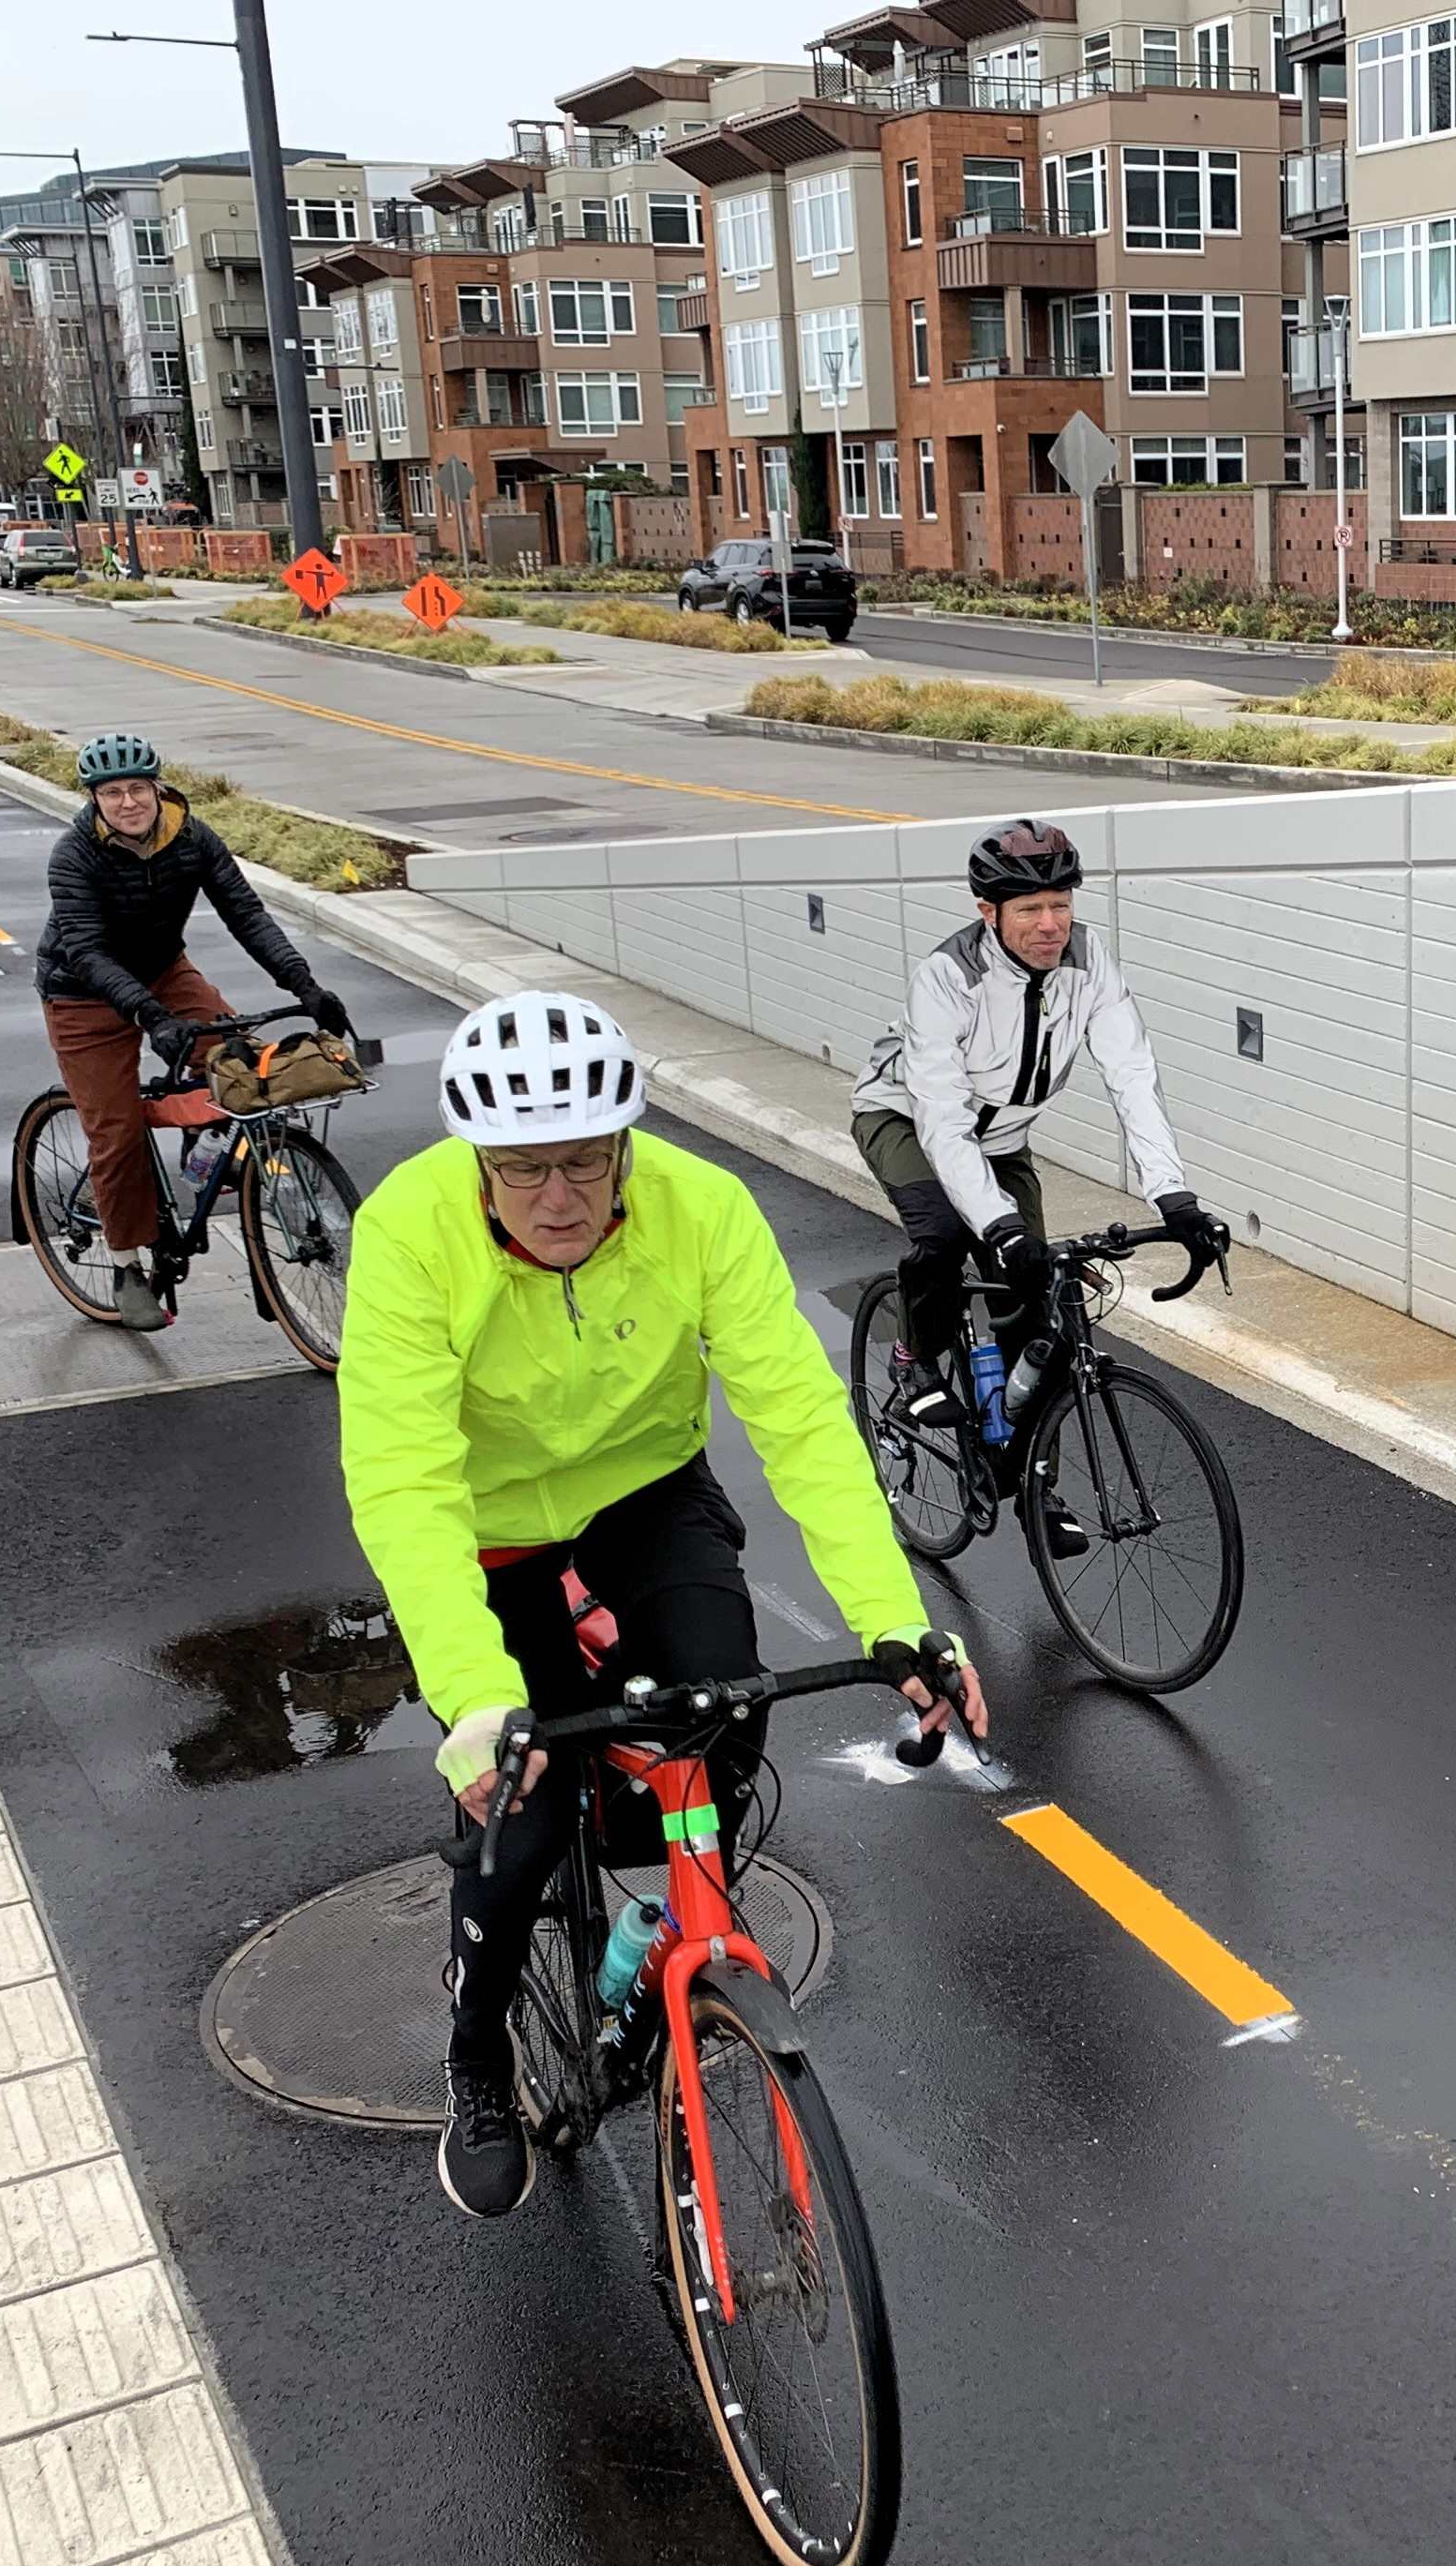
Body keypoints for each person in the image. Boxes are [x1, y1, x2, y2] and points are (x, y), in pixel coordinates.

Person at [338, 988, 986, 2220]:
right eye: (523, 1170)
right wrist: (476, 1701)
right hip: (487, 1534)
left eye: (586, 1159)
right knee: (519, 1808)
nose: (561, 1196)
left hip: (646, 1491)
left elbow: (798, 1422)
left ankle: (674, 1940)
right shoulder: (409, 1233)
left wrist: (895, 1623)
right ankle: (477, 2052)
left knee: (721, 1712)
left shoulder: (703, 1212)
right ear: (477, 1164)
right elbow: (403, 1482)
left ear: (629, 1140)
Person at [849, 818, 1230, 1525]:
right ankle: (915, 1359)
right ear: (987, 912)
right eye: (1029, 910)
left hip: (1006, 1143)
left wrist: (1173, 1196)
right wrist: (997, 1226)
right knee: (942, 1240)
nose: (1050, 924)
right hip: (905, 1121)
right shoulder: (948, 976)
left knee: (1041, 1309)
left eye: (1061, 904)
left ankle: (1028, 1482)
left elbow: (1132, 1074)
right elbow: (941, 1118)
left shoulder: (1091, 961)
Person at [35, 731, 352, 1333]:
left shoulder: (192, 837)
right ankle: (127, 1266)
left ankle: (203, 1145)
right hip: (83, 992)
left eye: (136, 788)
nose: (127, 802)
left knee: (246, 1063)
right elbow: (86, 948)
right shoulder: (73, 855)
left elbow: (246, 913)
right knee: (118, 1131)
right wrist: (152, 1017)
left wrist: (303, 985)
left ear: (158, 787)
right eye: (111, 793)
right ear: (93, 799)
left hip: (163, 970)